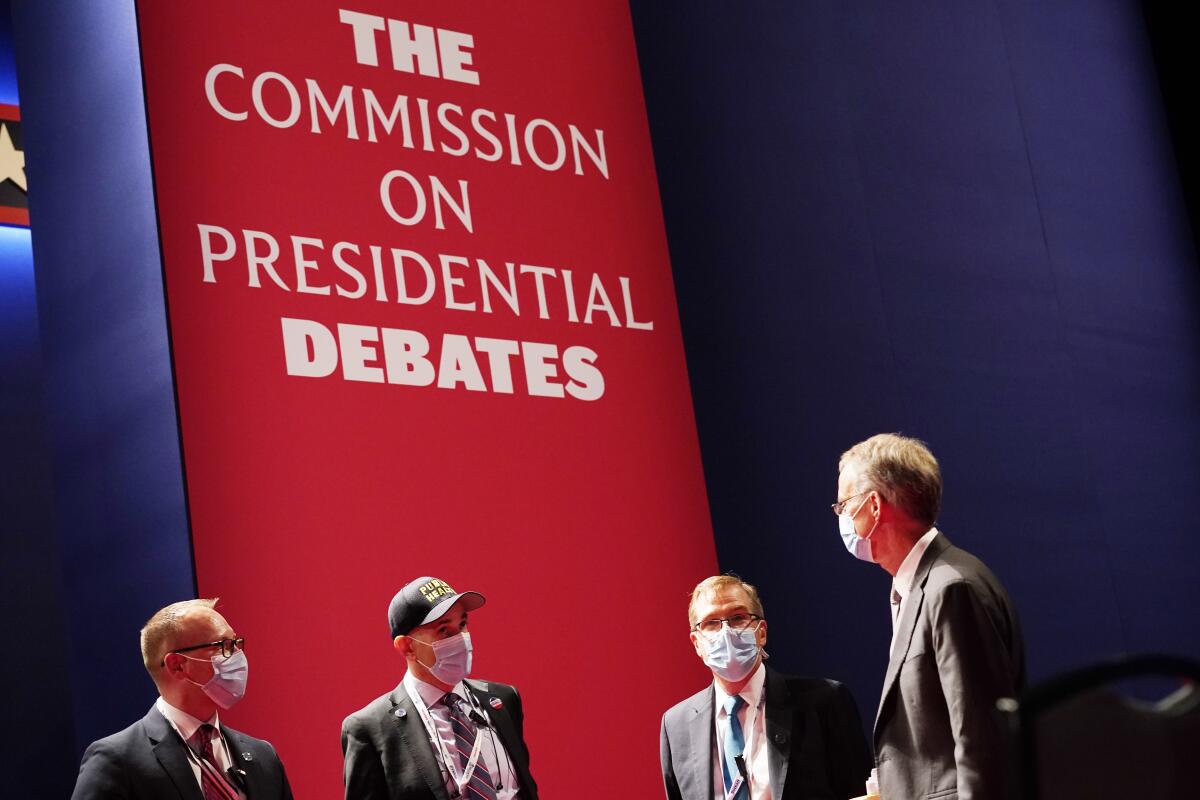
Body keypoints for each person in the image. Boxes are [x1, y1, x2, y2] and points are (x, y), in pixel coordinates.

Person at [835, 433, 1025, 800]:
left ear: (873, 505)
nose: (841, 516)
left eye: (844, 504)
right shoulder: (917, 587)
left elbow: (980, 743)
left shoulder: (951, 587)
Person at [660, 575, 872, 800]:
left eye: (738, 617)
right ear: (696, 643)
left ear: (761, 632)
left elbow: (861, 793)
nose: (725, 632)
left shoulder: (825, 702)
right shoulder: (676, 726)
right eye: (711, 623)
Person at [71, 598, 294, 799]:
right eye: (223, 646)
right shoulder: (117, 760)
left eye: (236, 643)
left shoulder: (264, 757)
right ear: (177, 665)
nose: (237, 656)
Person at [342, 576, 538, 800]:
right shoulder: (370, 727)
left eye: (462, 624)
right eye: (444, 630)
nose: (461, 639)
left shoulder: (504, 700)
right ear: (407, 646)